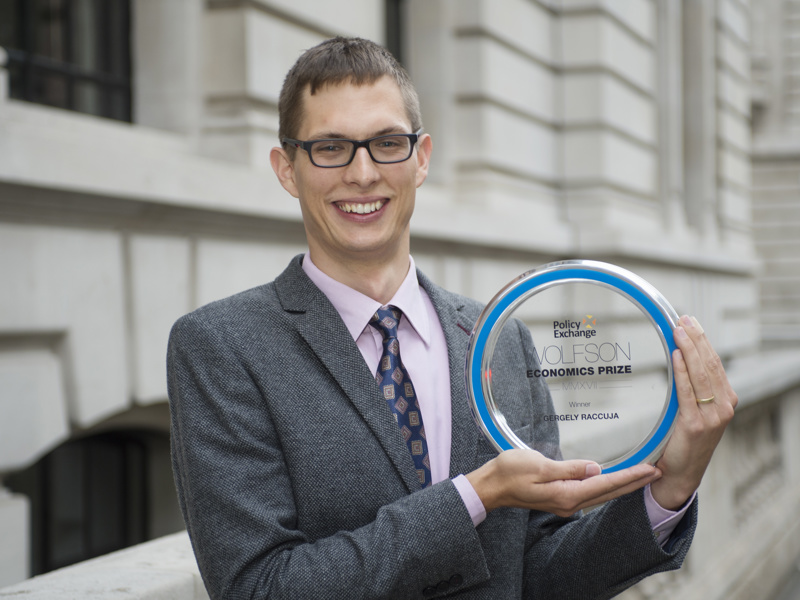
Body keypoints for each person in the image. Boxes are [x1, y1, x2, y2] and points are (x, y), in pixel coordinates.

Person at [167, 36, 737, 599]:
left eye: (387, 142)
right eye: (330, 147)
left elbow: (539, 577)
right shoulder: (221, 347)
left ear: (421, 159)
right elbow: (257, 588)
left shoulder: (501, 339)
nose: (363, 173)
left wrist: (675, 483)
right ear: (286, 168)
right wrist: (477, 494)